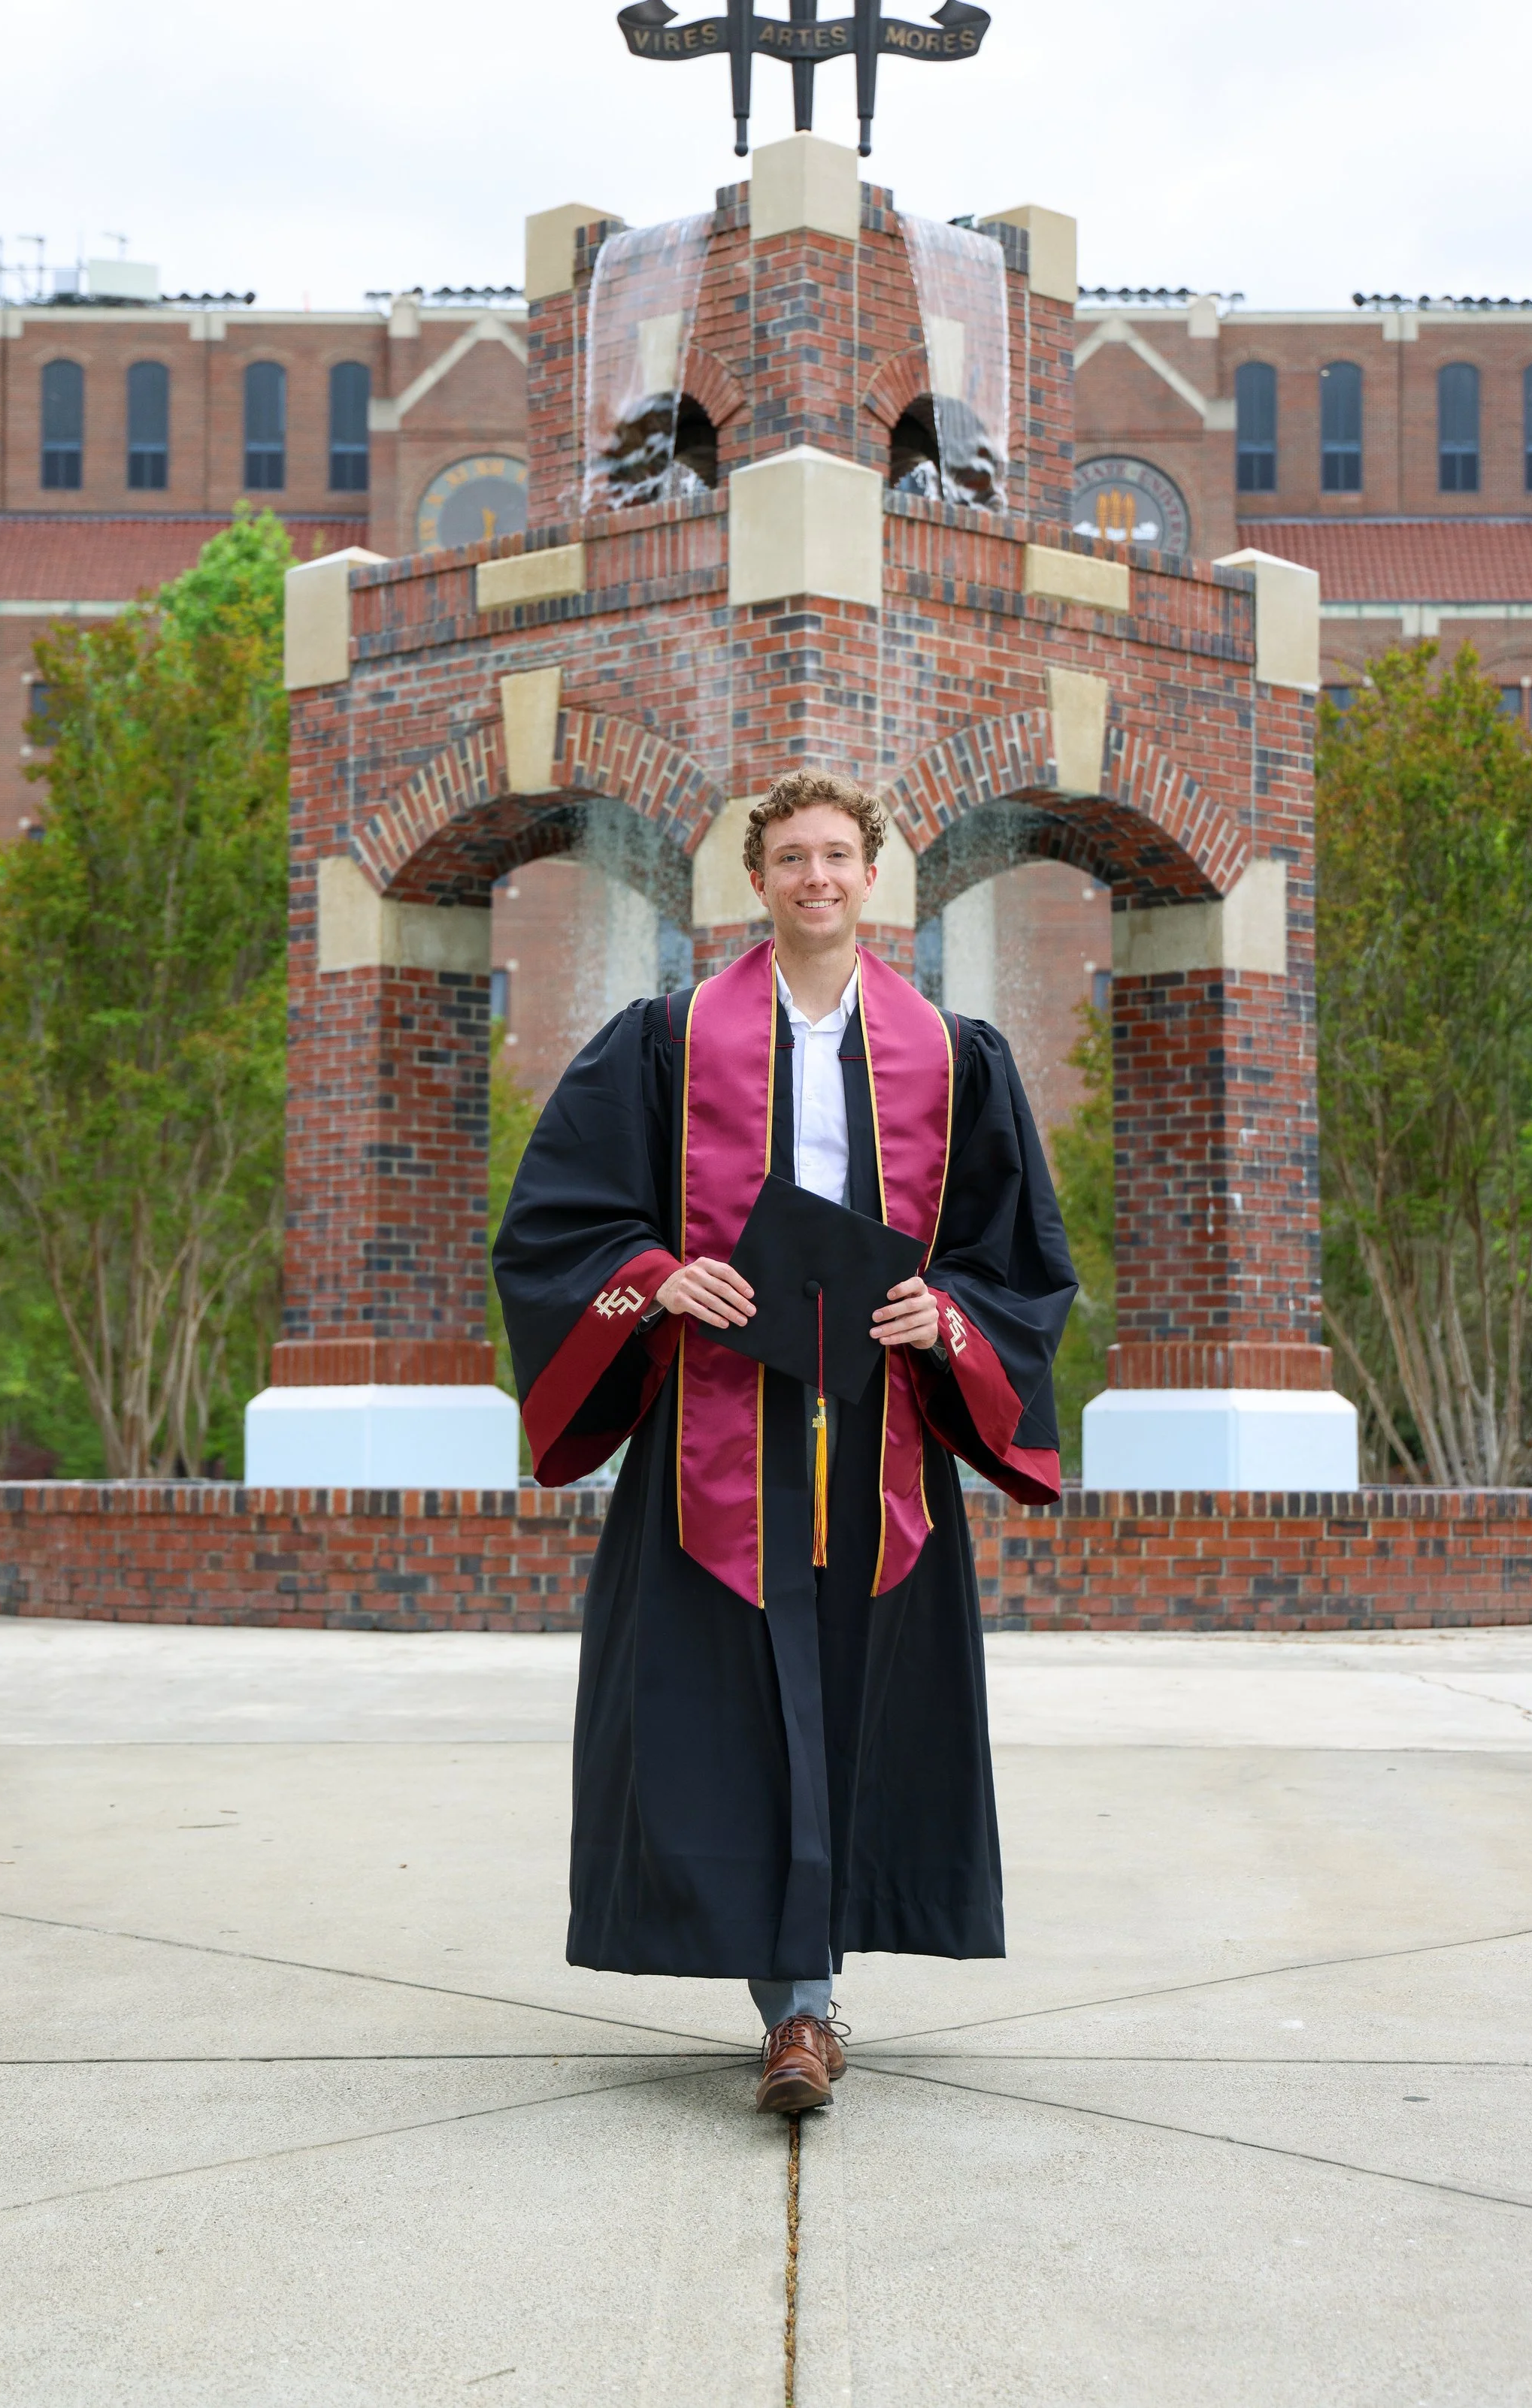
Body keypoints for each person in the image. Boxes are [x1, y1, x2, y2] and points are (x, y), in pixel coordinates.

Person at [492, 770, 1077, 2112]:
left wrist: (946, 1317)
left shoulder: (953, 1055)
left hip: (878, 1436)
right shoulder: (667, 1038)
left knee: (847, 1702)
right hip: (719, 1425)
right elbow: (557, 1226)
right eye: (789, 858)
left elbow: (1018, 1262)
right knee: (733, 1713)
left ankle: (807, 2001)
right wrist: (654, 1278)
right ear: (754, 882)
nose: (816, 878)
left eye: (836, 856)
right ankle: (794, 2010)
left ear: (874, 879)